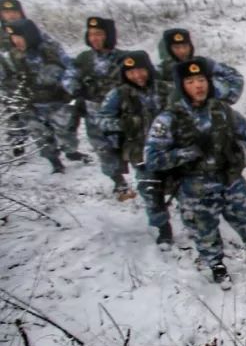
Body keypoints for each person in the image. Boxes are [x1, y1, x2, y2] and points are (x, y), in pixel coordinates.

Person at [144, 58, 246, 284]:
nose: (198, 86)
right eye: (191, 81)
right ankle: (216, 265)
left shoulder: (222, 110)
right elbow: (152, 159)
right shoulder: (168, 119)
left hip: (229, 178)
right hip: (194, 186)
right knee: (204, 229)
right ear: (181, 86)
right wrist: (187, 153)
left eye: (201, 80)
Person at [98, 50, 174, 246]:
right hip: (140, 152)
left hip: (172, 149)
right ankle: (163, 228)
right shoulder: (118, 94)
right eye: (132, 72)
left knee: (185, 186)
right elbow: (104, 119)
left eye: (141, 70)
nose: (138, 76)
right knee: (150, 190)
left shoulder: (166, 89)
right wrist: (124, 125)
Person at [0, 19, 85, 171]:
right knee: (41, 136)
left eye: (20, 37)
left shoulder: (50, 49)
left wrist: (69, 86)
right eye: (13, 38)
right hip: (31, 104)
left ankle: (71, 152)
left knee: (66, 134)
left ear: (29, 36)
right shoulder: (12, 56)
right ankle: (55, 163)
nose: (16, 41)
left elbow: (70, 67)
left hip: (57, 102)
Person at [64, 16, 128, 192]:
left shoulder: (123, 58)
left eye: (99, 34)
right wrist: (75, 88)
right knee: (103, 150)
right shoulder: (83, 59)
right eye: (91, 34)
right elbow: (69, 77)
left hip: (121, 112)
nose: (95, 38)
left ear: (108, 35)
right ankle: (118, 181)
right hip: (94, 114)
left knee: (127, 146)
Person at [157, 27, 244, 105]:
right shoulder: (159, 71)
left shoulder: (203, 63)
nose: (182, 51)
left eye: (185, 46)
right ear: (168, 49)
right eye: (176, 47)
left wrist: (224, 101)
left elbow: (235, 78)